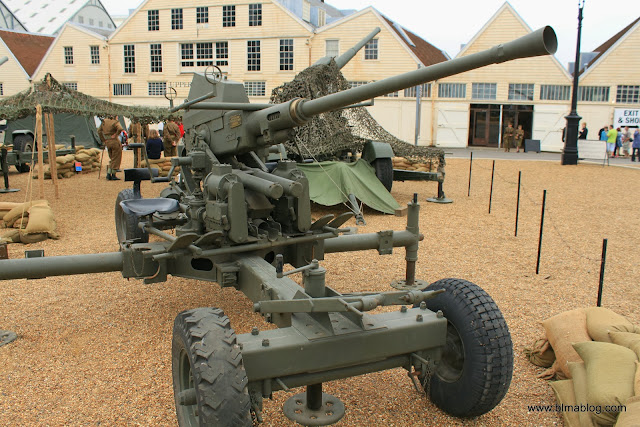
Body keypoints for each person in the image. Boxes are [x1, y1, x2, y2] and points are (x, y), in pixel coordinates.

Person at [97, 116, 124, 180]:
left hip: (107, 141)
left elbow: (99, 131)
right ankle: (113, 174)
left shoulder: (104, 122)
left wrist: (103, 139)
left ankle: (109, 174)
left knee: (111, 158)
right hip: (114, 141)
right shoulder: (115, 122)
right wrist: (116, 134)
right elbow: (120, 128)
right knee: (116, 158)